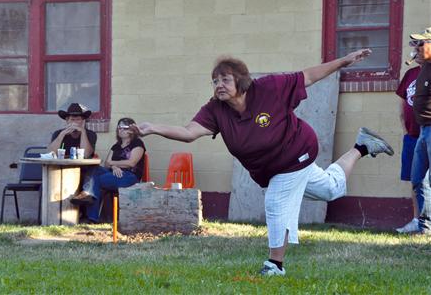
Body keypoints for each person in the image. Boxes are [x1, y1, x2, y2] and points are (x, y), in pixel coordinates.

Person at [131, 49, 394, 276]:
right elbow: (189, 133)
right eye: (214, 81)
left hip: (297, 152)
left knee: (276, 202)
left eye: (224, 79)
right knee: (330, 189)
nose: (218, 85)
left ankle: (274, 265)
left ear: (241, 81)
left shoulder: (269, 88)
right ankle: (362, 146)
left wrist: (343, 61)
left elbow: (309, 76)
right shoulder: (215, 110)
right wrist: (153, 127)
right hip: (270, 168)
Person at [70, 118, 146, 223]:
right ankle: (88, 198)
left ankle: (91, 214)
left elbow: (131, 163)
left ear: (132, 130)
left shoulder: (137, 143)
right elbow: (106, 163)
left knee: (96, 181)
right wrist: (114, 167)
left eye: (124, 127)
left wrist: (113, 164)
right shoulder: (116, 146)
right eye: (119, 127)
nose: (120, 130)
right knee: (94, 168)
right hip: (113, 172)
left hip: (130, 176)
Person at [395, 39, 425, 233]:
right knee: (415, 179)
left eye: (419, 46)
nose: (415, 50)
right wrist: (405, 130)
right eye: (415, 46)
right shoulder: (411, 74)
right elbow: (402, 103)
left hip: (427, 135)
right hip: (412, 135)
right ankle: (417, 219)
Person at [410, 27, 431, 234]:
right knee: (418, 179)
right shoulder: (425, 66)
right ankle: (425, 227)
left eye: (422, 43)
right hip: (424, 130)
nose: (417, 48)